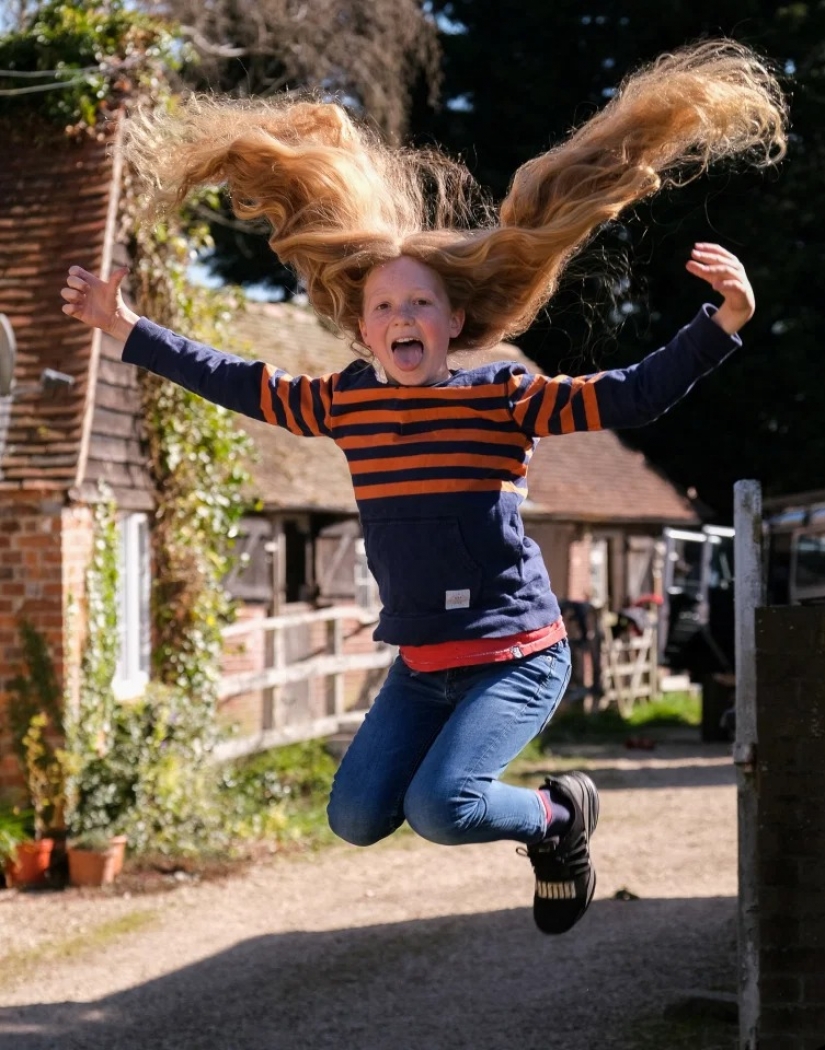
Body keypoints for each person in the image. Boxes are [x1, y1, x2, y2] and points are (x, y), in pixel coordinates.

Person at [60, 39, 787, 936]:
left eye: (419, 305)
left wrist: (723, 322)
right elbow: (235, 379)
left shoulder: (506, 398)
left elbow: (630, 394)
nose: (401, 317)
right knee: (355, 817)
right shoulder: (342, 403)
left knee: (444, 808)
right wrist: (128, 328)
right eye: (383, 308)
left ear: (453, 320)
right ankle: (525, 806)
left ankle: (558, 816)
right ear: (363, 331)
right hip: (422, 667)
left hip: (517, 656)